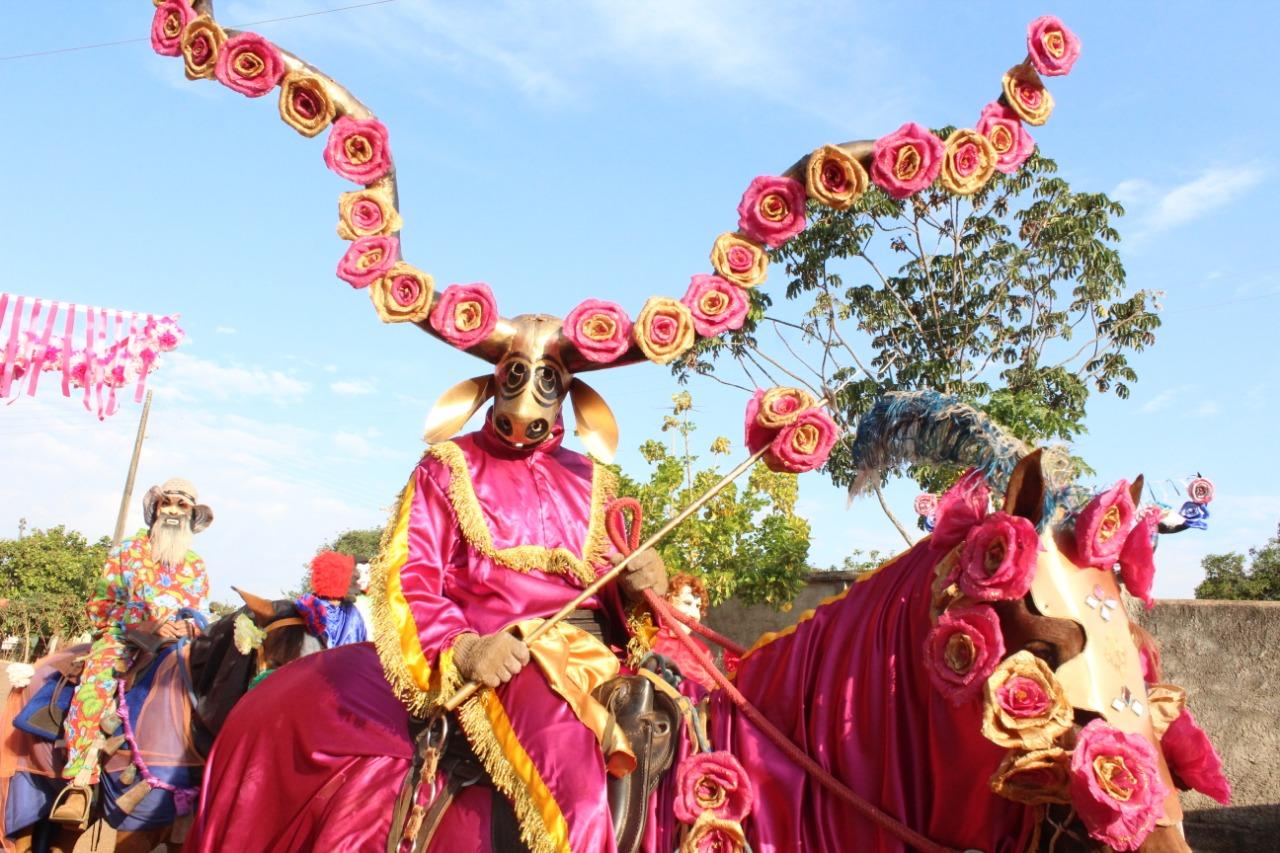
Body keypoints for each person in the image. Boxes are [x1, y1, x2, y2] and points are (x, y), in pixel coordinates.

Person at [51, 477, 212, 823]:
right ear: (155, 509)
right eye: (166, 503)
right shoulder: (126, 551)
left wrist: (190, 626)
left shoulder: (196, 565)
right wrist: (148, 624)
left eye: (182, 505)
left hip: (179, 647)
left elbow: (200, 611)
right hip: (126, 640)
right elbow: (99, 606)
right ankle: (79, 781)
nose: (173, 510)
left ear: (191, 515)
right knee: (95, 686)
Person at [309, 549, 367, 647]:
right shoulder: (311, 611)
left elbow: (363, 646)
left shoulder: (352, 612)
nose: (357, 579)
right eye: (350, 575)